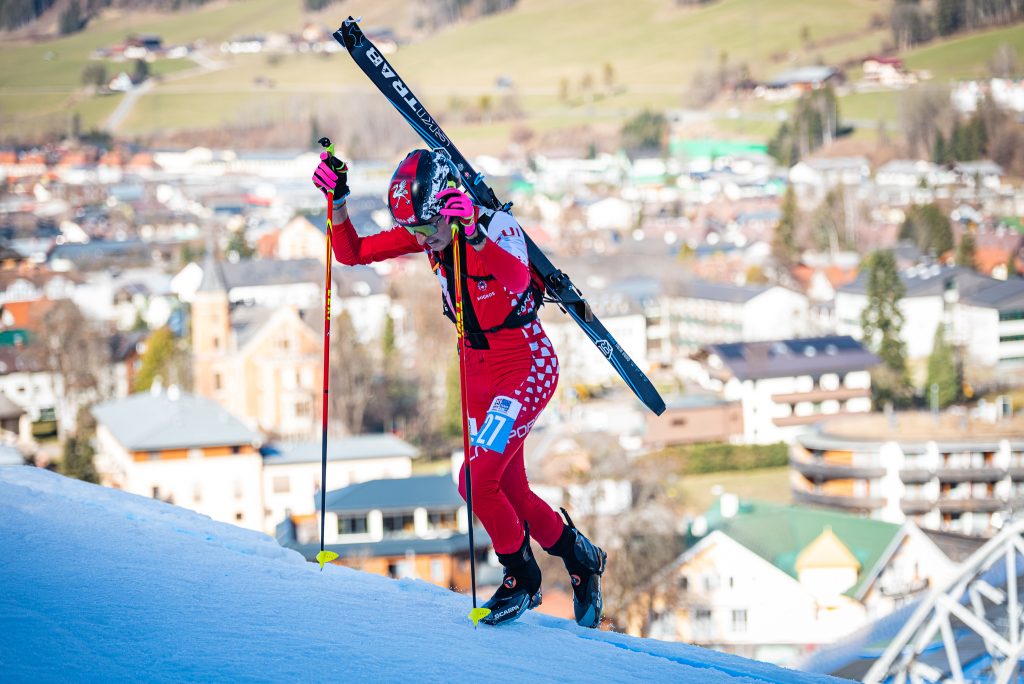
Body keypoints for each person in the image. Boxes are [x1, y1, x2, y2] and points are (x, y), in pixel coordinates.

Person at [312, 149, 606, 627]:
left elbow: (513, 277)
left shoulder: (494, 227)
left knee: (475, 480)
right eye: (415, 233)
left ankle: (521, 578)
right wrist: (338, 202)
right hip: (476, 369)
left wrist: (473, 233)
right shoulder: (430, 234)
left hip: (523, 363)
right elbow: (352, 253)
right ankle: (581, 558)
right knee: (510, 490)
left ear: (448, 206)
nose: (422, 241)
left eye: (427, 230)